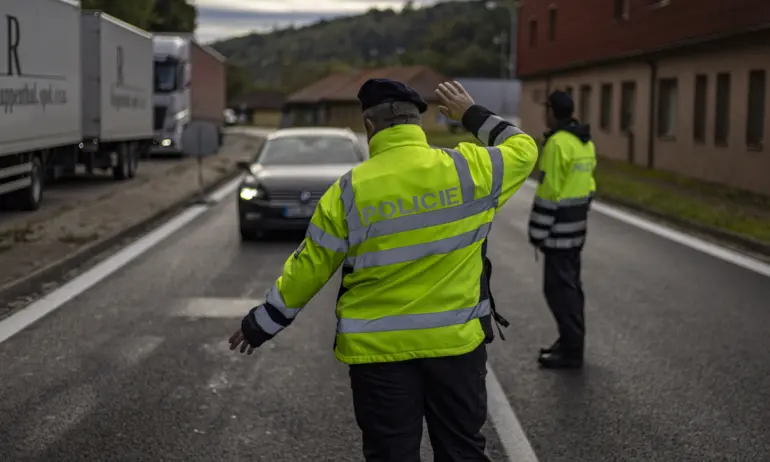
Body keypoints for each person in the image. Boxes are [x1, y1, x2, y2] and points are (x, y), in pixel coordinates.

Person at [228, 79, 538, 461]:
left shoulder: (348, 192)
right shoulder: (469, 168)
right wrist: (469, 114)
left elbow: (309, 266)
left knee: (391, 455)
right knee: (462, 451)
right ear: (417, 125)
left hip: (378, 354)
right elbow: (524, 149)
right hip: (455, 346)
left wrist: (263, 322)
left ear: (370, 126)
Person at [528, 90, 597, 369]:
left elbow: (549, 192)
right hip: (576, 229)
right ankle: (569, 340)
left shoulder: (557, 144)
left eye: (546, 109)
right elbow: (589, 188)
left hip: (558, 233)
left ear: (553, 111)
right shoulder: (584, 142)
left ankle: (571, 350)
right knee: (571, 288)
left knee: (559, 291)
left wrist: (537, 232)